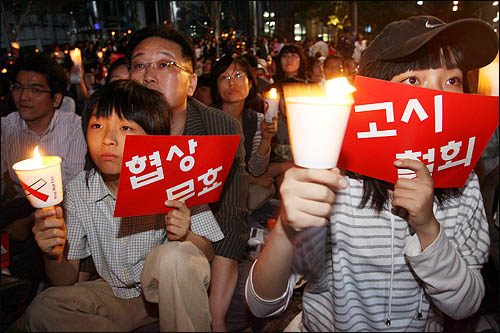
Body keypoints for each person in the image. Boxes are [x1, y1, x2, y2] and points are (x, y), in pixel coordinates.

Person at [246, 15, 498, 332]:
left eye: (452, 81)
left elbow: (466, 306)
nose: (438, 98)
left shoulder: (466, 185)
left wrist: (428, 229)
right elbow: (262, 303)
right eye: (412, 81)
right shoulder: (332, 177)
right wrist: (286, 226)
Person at [19, 80, 224, 331]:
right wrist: (52, 253)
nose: (108, 139)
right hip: (116, 294)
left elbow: (209, 254)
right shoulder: (78, 190)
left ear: (153, 138)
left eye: (126, 127)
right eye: (97, 125)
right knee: (45, 305)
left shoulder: (178, 175)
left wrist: (186, 234)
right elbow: (66, 277)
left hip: (171, 292)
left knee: (174, 255)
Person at [126, 25, 248, 331]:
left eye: (164, 64)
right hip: (126, 273)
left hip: (192, 260)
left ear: (191, 83)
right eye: (139, 65)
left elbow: (231, 225)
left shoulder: (218, 129)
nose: (148, 75)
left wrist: (216, 318)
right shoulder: (113, 129)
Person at [1, 54, 86, 292]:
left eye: (35, 90)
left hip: (66, 207)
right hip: (23, 203)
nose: (23, 96)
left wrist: (29, 222)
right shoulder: (7, 128)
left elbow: (71, 187)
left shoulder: (73, 127)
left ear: (56, 98)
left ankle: (31, 292)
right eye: (18, 87)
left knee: (38, 240)